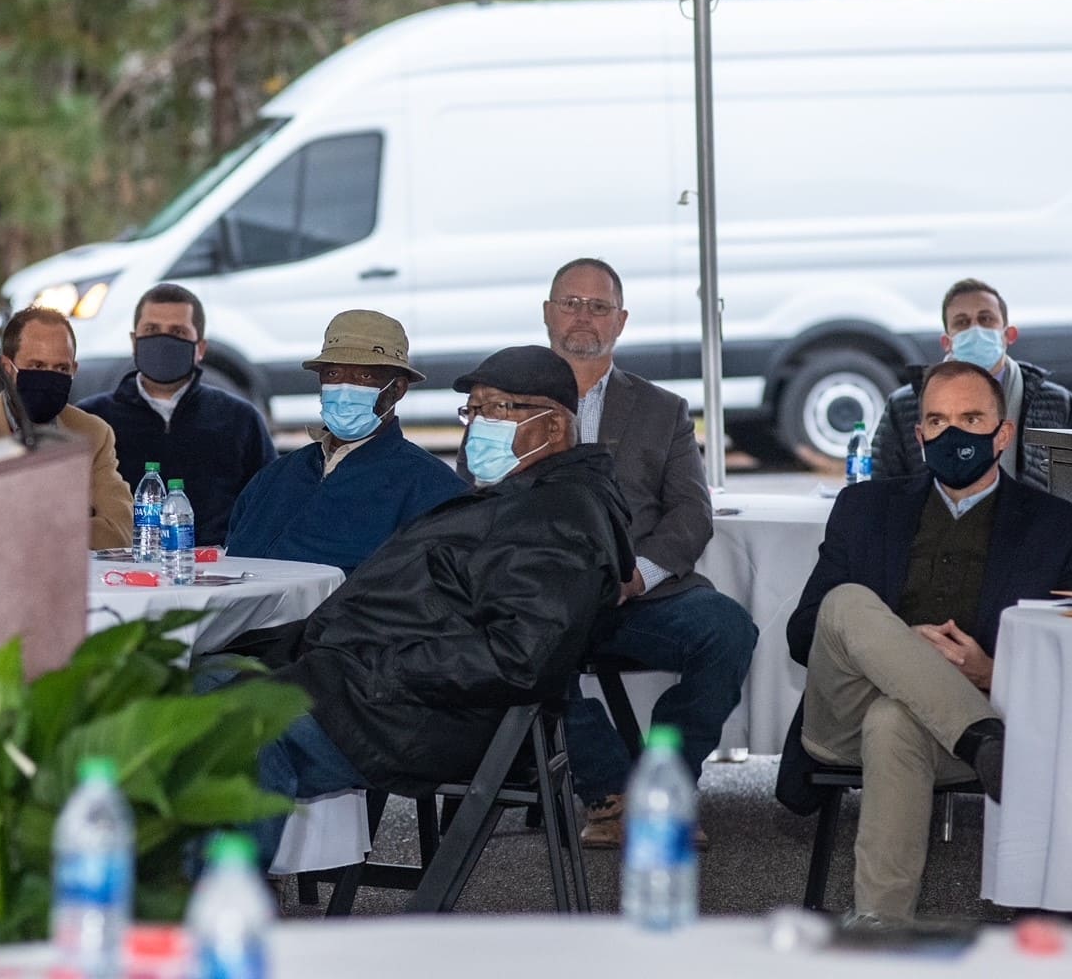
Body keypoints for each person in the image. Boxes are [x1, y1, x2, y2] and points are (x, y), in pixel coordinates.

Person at [222, 346, 633, 867]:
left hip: (407, 713)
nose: (477, 425)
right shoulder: (527, 496)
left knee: (231, 730)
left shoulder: (558, 518)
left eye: (497, 410)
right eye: (474, 411)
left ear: (552, 429)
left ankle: (225, 907)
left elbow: (519, 657)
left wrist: (376, 666)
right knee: (199, 680)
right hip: (375, 686)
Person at [777, 359, 1072, 924]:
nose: (954, 434)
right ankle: (986, 738)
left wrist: (990, 672)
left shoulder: (1059, 526)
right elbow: (805, 634)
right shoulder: (865, 508)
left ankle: (880, 928)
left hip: (950, 725)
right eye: (938, 420)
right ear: (920, 434)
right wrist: (896, 643)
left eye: (972, 418)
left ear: (1004, 433)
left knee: (895, 721)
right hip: (848, 712)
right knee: (847, 603)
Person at [540, 258, 757, 848]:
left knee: (728, 629)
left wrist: (636, 576)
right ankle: (610, 793)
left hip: (636, 595)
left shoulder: (663, 411)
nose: (584, 317)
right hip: (542, 600)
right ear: (546, 313)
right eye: (571, 303)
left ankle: (667, 785)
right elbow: (477, 496)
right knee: (520, 644)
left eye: (599, 306)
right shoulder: (507, 399)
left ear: (622, 321)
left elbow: (692, 513)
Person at [224, 310, 466, 573]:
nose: (344, 387)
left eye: (364, 376)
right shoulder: (275, 478)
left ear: (397, 389)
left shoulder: (432, 489)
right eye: (333, 374)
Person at [76, 283, 274, 545]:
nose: (163, 341)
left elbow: (269, 506)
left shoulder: (240, 419)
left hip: (219, 576)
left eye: (177, 332)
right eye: (152, 330)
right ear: (135, 342)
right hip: (118, 577)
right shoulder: (92, 420)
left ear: (200, 348)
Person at [869, 278, 1072, 492]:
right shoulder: (905, 406)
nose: (975, 330)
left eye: (986, 319)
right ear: (947, 342)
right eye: (962, 322)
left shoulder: (1057, 405)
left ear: (1009, 335)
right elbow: (882, 493)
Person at [0, 306, 134, 550]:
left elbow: (118, 532)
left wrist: (23, 528)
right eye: (36, 366)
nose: (49, 378)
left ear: (74, 371)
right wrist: (69, 526)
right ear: (6, 369)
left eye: (61, 369)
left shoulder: (93, 434)